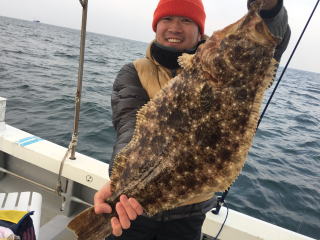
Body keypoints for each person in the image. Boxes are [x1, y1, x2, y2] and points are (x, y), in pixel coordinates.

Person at [95, 0, 291, 239]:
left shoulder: (239, 68)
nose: (175, 27)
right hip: (135, 211)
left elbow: (273, 34)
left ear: (200, 31)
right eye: (167, 19)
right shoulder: (134, 71)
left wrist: (270, 8)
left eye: (186, 20)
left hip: (190, 213)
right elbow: (129, 125)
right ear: (155, 26)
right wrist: (121, 180)